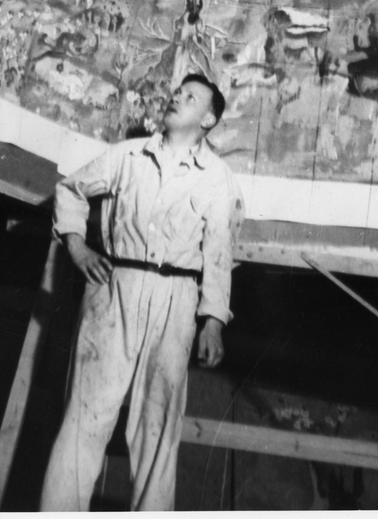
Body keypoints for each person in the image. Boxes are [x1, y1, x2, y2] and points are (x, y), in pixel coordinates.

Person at [40, 74, 243, 511]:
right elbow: (71, 190)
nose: (177, 98)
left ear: (208, 119)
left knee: (158, 429)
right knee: (84, 418)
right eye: (178, 92)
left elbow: (219, 253)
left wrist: (212, 322)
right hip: (115, 288)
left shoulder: (218, 179)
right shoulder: (127, 156)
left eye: (190, 97)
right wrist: (77, 247)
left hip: (177, 299)